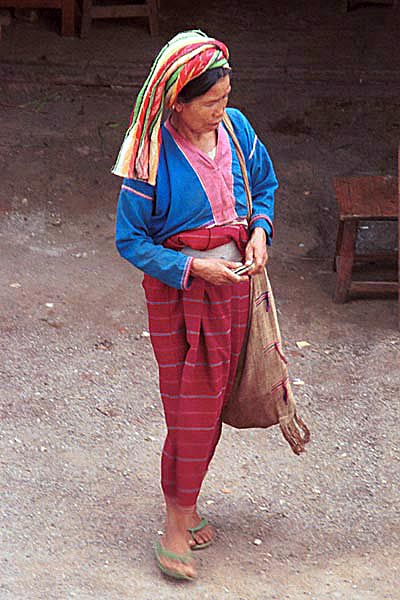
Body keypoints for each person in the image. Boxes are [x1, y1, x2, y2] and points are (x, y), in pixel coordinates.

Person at [113, 29, 278, 581]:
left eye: (226, 99)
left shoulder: (238, 130)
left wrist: (259, 231)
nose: (221, 112)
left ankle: (181, 510)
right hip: (178, 292)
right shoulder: (149, 151)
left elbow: (266, 184)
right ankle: (175, 526)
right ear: (177, 100)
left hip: (230, 285)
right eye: (210, 103)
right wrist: (190, 268)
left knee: (204, 402)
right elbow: (130, 240)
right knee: (189, 405)